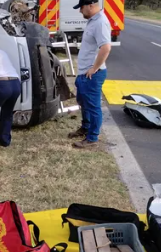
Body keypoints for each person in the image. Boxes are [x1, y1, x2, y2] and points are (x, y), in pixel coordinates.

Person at [69, 0, 111, 148]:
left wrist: (94, 68)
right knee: (83, 102)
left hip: (92, 74)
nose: (80, 11)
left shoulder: (100, 22)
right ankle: (85, 128)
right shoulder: (93, 21)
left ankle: (92, 138)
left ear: (90, 5)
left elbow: (105, 47)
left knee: (93, 107)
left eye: (81, 8)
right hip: (84, 73)